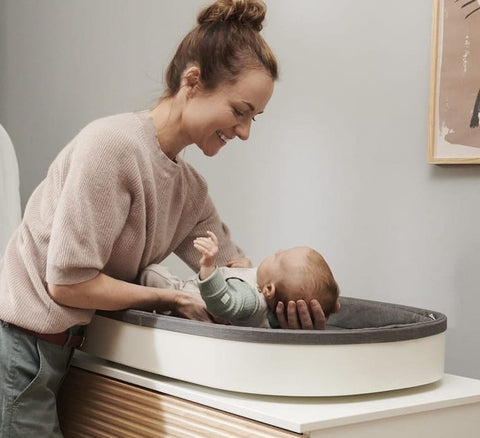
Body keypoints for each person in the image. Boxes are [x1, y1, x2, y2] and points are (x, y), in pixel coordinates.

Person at [0, 1, 324, 436]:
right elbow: (68, 284)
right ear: (193, 82)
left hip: (62, 353)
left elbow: (236, 274)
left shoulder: (189, 191)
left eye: (254, 118)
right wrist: (170, 299)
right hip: (17, 351)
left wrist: (286, 307)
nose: (245, 131)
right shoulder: (111, 148)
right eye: (240, 111)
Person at [141, 231, 340, 328]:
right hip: (187, 298)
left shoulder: (251, 302)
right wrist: (245, 270)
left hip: (186, 299)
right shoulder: (262, 291)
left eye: (279, 257)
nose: (278, 251)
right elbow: (250, 285)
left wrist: (209, 266)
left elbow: (223, 302)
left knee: (153, 274)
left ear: (268, 290)